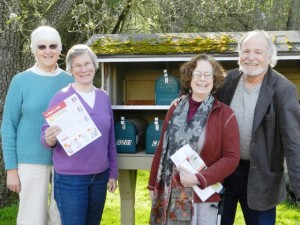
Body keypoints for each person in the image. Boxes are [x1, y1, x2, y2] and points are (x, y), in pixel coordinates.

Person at [217, 30, 300, 225]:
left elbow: (294, 142)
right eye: (246, 51)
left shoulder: (283, 89)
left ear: (269, 57)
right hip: (223, 172)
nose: (251, 57)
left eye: (258, 52)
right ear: (239, 55)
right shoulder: (226, 81)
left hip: (261, 177)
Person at [147, 54, 240, 225]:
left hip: (201, 197)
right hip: (168, 194)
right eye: (197, 74)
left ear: (215, 80)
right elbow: (161, 149)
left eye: (207, 74)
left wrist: (199, 178)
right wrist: (153, 185)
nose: (202, 79)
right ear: (189, 77)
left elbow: (231, 158)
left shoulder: (225, 114)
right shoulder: (174, 109)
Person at [1, 26, 74, 225]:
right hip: (30, 161)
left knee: (61, 217)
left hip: (65, 161)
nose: (47, 51)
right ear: (34, 50)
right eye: (41, 46)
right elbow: (8, 126)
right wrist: (11, 169)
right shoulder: (20, 81)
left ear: (60, 49)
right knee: (31, 218)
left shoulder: (70, 81)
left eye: (53, 45)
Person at [41, 44, 118, 225]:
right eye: (78, 65)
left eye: (87, 64)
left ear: (94, 65)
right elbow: (45, 135)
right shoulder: (61, 97)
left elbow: (110, 139)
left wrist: (113, 173)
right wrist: (49, 139)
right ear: (71, 69)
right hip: (70, 179)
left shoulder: (103, 97)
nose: (84, 69)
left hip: (100, 176)